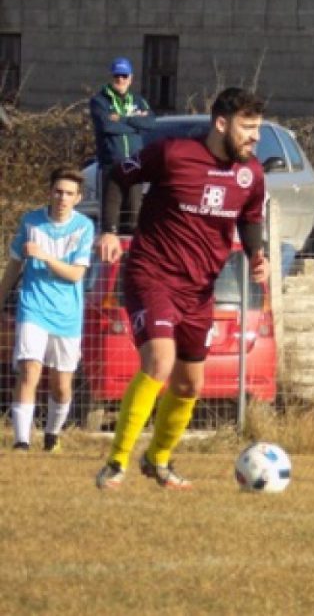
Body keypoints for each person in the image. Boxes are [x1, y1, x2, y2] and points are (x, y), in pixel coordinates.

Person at [95, 87, 270, 490]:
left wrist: (257, 254)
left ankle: (157, 459)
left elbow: (250, 217)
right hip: (152, 273)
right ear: (221, 124)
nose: (254, 136)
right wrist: (109, 230)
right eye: (247, 127)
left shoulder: (252, 174)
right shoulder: (173, 153)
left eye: (257, 128)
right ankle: (117, 462)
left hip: (199, 289)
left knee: (191, 383)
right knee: (159, 362)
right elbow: (120, 176)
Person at [0, 168, 94, 452]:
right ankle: (22, 442)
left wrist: (44, 256)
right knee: (29, 371)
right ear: (49, 192)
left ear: (78, 198)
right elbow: (15, 263)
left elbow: (75, 274)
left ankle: (52, 434)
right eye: (58, 191)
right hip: (33, 307)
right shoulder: (31, 222)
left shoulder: (84, 227)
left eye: (68, 194)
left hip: (67, 314)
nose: (62, 198)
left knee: (61, 384)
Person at [89, 56, 156, 232]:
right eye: (117, 76)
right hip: (112, 164)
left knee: (134, 213)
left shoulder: (139, 100)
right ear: (111, 77)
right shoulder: (100, 101)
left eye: (124, 76)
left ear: (131, 78)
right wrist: (134, 123)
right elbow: (106, 126)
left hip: (134, 163)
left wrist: (123, 118)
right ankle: (110, 254)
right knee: (111, 215)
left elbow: (150, 123)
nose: (121, 80)